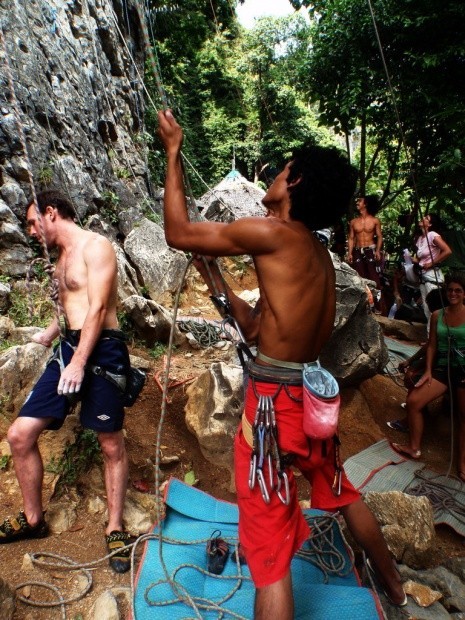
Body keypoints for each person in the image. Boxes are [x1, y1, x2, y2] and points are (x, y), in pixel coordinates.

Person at [158, 109, 407, 618]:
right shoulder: (314, 254)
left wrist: (173, 151)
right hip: (313, 403)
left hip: (273, 409)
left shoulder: (272, 232)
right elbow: (258, 327)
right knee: (338, 488)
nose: (273, 174)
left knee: (269, 554)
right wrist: (218, 282)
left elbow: (178, 232)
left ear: (293, 181)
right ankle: (397, 590)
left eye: (283, 167)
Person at [0, 191, 131, 573]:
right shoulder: (59, 259)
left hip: (102, 350)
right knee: (20, 435)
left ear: (51, 213)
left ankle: (116, 526)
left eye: (31, 222)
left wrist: (77, 362)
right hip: (70, 348)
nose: (30, 230)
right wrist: (48, 333)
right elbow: (70, 308)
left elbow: (98, 307)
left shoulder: (96, 246)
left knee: (110, 443)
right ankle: (33, 519)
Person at [391, 273, 465, 480]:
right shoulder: (437, 315)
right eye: (450, 290)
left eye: (458, 290)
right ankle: (414, 448)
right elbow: (431, 345)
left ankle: (462, 464)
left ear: (464, 294)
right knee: (414, 401)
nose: (453, 294)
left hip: (463, 370)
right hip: (442, 368)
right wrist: (429, 371)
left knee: (463, 417)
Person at [413, 213, 452, 323]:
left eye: (426, 218)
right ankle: (430, 337)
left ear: (429, 224)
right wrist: (413, 260)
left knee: (435, 308)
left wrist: (431, 263)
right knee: (426, 308)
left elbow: (447, 251)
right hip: (423, 276)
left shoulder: (432, 235)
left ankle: (438, 335)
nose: (422, 219)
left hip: (432, 276)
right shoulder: (420, 238)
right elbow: (422, 260)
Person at [347, 195, 383, 289]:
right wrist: (350, 253)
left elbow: (379, 236)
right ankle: (364, 300)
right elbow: (351, 238)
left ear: (366, 204)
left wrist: (378, 251)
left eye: (360, 201)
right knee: (359, 277)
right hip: (358, 251)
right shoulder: (353, 222)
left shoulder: (375, 220)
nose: (357, 203)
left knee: (373, 277)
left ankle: (377, 301)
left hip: (370, 250)